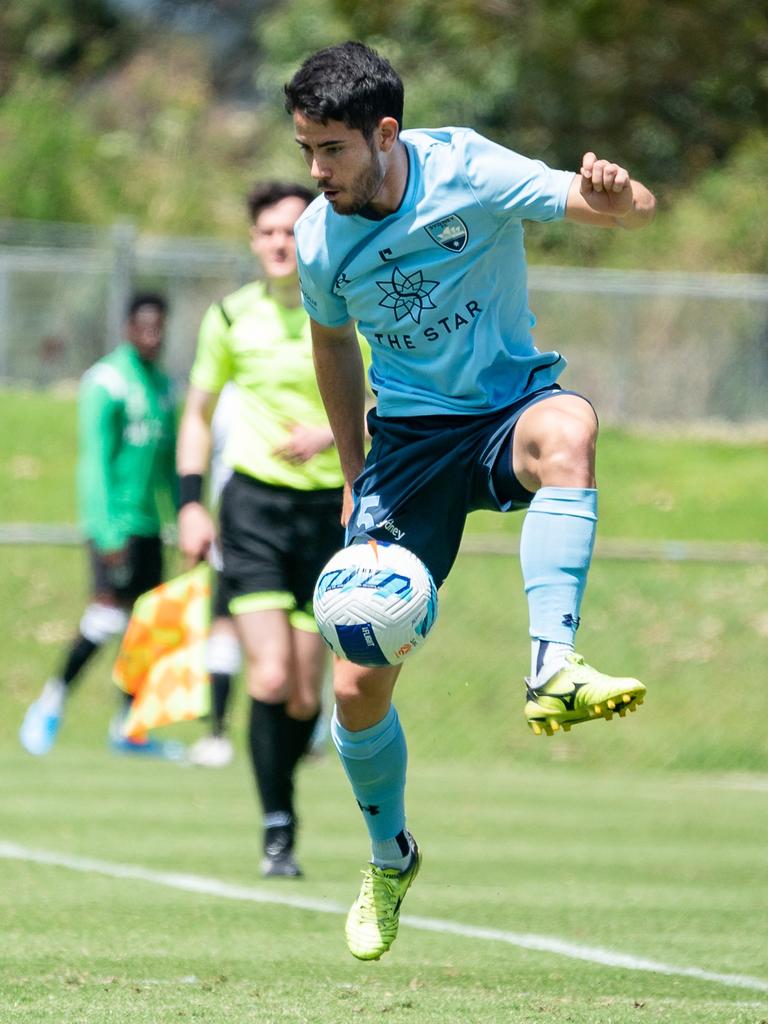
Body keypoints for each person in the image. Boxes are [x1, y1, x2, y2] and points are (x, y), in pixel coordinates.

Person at [284, 41, 655, 960]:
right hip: (409, 442)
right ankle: (390, 854)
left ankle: (551, 668)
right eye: (305, 151)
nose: (317, 172)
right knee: (356, 684)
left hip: (508, 408)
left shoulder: (469, 169)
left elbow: (628, 210)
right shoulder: (317, 239)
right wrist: (350, 473)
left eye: (331, 150)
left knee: (570, 432)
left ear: (384, 133)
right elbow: (333, 350)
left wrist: (615, 193)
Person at [176, 181, 347, 877]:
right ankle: (278, 826)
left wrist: (332, 433)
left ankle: (288, 787)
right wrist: (191, 502)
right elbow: (195, 415)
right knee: (270, 676)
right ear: (254, 241)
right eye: (268, 232)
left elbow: (391, 408)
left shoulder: (345, 310)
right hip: (251, 511)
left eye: (292, 231)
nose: (281, 243)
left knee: (307, 692)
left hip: (328, 513)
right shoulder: (228, 317)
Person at [20, 293, 180, 758]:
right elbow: (94, 463)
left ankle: (128, 726)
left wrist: (185, 515)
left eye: (159, 328)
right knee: (106, 616)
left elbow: (168, 464)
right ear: (129, 329)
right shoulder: (107, 381)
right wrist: (106, 533)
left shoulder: (165, 387)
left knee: (145, 627)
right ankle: (50, 702)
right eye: (144, 327)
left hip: (150, 525)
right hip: (115, 525)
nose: (152, 336)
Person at [187, 383, 242, 769]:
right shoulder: (225, 398)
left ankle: (313, 732)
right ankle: (217, 732)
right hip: (236, 522)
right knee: (224, 624)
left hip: (304, 516)